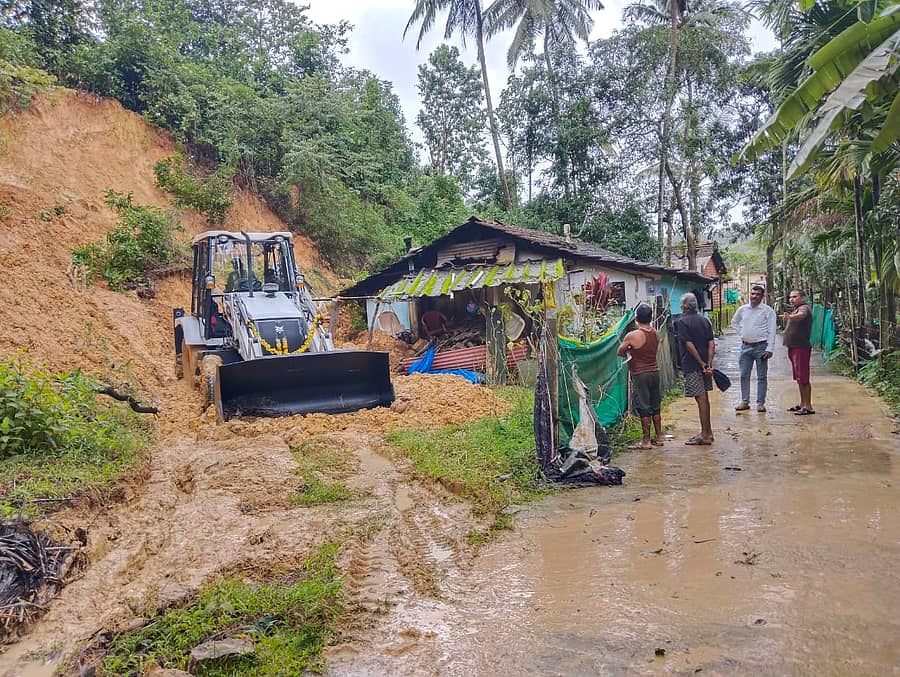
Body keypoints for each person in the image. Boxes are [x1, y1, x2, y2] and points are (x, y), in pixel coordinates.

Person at [617, 303, 663, 449]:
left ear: (636, 318)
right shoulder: (655, 333)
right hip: (655, 372)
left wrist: (629, 348)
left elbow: (620, 351)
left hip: (640, 373)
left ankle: (646, 440)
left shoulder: (633, 335)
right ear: (651, 317)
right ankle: (659, 436)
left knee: (644, 407)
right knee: (655, 405)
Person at [676, 292, 716, 445]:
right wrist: (708, 363)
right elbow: (711, 343)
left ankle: (705, 435)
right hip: (706, 365)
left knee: (700, 398)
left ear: (685, 307)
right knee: (704, 397)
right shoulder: (705, 321)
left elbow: (688, 345)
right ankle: (708, 432)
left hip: (693, 365)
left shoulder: (682, 322)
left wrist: (701, 364)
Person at [731, 284, 777, 412]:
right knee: (744, 374)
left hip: (761, 347)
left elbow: (772, 330)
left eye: (757, 294)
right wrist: (742, 334)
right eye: (752, 294)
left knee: (762, 376)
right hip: (745, 347)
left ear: (762, 296)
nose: (754, 296)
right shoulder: (743, 309)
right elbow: (734, 322)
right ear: (749, 295)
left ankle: (760, 403)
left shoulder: (768, 311)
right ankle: (745, 401)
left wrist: (770, 348)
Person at [780, 289, 814, 415]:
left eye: (795, 296)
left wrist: (790, 317)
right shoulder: (796, 309)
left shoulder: (804, 308)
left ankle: (808, 405)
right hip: (793, 347)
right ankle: (802, 403)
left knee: (804, 377)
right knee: (799, 377)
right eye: (790, 297)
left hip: (801, 347)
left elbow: (802, 315)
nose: (791, 299)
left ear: (803, 298)